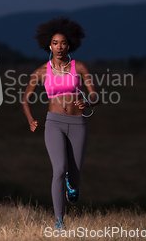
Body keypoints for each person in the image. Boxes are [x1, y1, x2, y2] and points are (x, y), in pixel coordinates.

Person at [21, 16, 98, 230]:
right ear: (49, 45)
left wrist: (87, 101)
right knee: (59, 170)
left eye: (63, 43)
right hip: (53, 123)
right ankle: (59, 222)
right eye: (55, 43)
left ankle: (72, 187)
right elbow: (25, 99)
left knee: (75, 175)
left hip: (78, 123)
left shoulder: (79, 67)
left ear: (69, 44)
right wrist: (30, 120)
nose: (59, 47)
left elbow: (96, 96)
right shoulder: (41, 72)